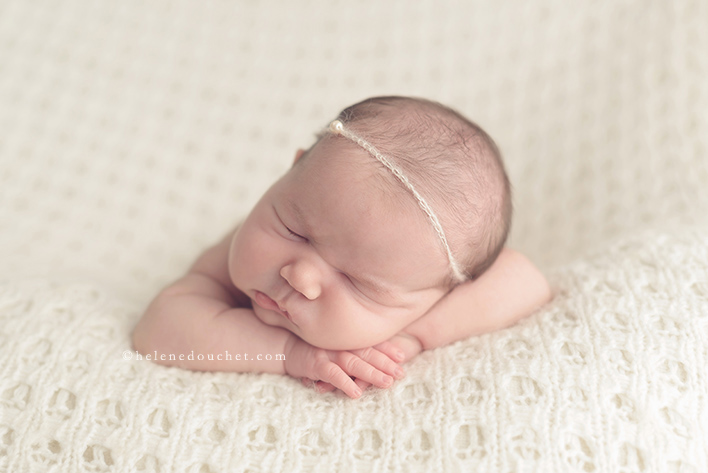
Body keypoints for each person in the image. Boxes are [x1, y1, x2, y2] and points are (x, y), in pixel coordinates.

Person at [131, 96, 553, 399]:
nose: (300, 276)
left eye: (356, 282)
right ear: (292, 170)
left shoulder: (429, 286)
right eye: (296, 231)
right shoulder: (235, 252)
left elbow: (526, 280)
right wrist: (287, 352)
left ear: (439, 294)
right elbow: (159, 332)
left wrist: (409, 339)